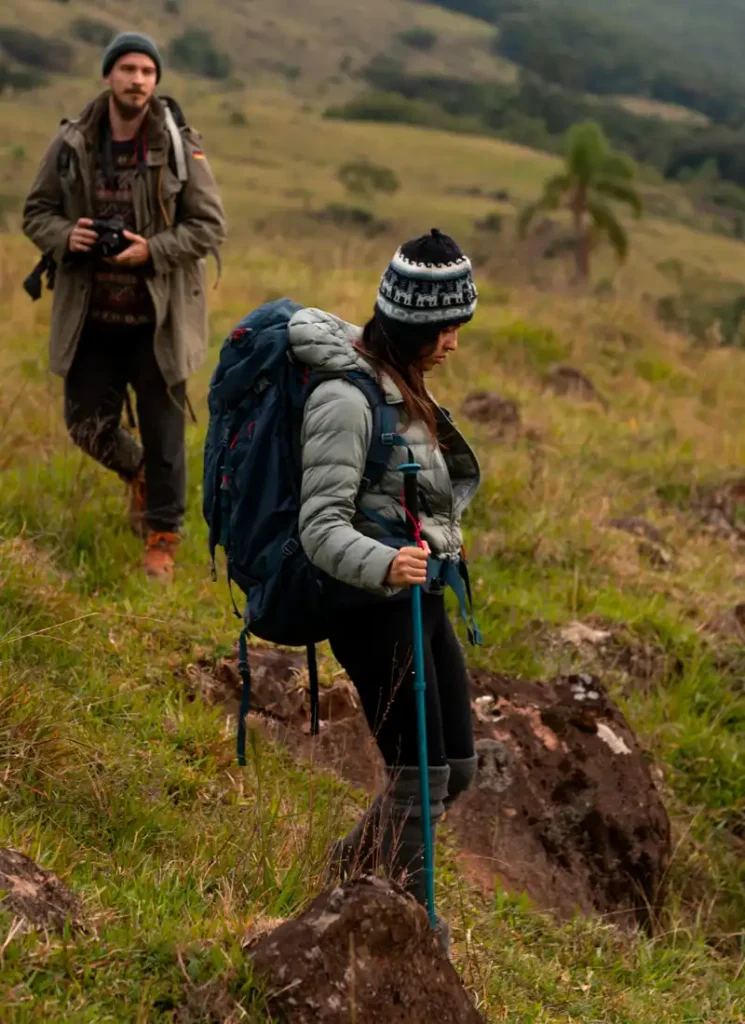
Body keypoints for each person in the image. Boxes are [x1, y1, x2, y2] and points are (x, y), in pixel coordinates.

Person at [289, 228, 480, 942]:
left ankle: (348, 872)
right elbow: (320, 526)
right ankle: (391, 925)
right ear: (411, 324)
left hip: (418, 597)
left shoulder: (404, 386)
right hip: (369, 608)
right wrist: (384, 562)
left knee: (455, 770)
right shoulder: (345, 399)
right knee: (417, 779)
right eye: (446, 328)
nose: (454, 342)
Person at [23, 32, 227, 581]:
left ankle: (163, 536)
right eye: (128, 68)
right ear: (109, 75)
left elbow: (209, 226)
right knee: (86, 426)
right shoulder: (72, 143)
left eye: (147, 71)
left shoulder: (178, 142)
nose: (138, 79)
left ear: (155, 80)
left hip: (158, 319)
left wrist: (152, 249)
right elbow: (35, 211)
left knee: (165, 433)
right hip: (90, 316)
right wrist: (69, 237)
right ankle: (136, 472)